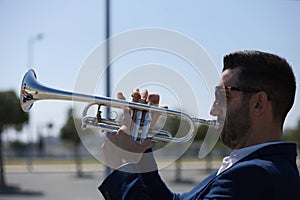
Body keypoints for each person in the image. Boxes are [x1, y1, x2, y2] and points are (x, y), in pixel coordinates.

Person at [99, 50, 300, 200]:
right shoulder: (251, 167)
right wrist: (141, 149)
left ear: (258, 103)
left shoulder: (255, 176)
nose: (213, 110)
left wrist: (122, 166)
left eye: (223, 97)